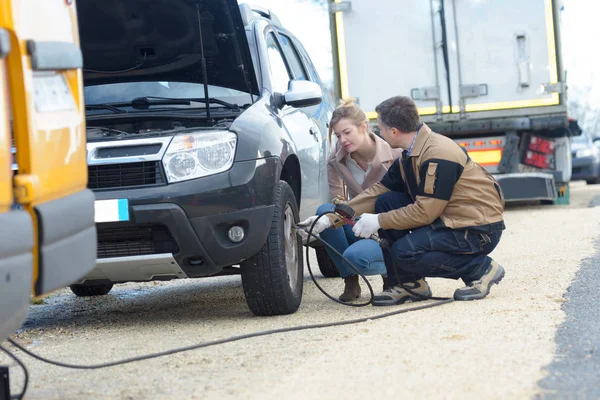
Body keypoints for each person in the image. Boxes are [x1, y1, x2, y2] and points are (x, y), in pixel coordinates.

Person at [300, 95, 506, 306]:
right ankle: (410, 285)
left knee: (405, 252)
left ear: (394, 132)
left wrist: (378, 221)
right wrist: (330, 219)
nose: (378, 133)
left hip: (478, 229)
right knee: (386, 200)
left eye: (380, 128)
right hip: (453, 221)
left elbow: (426, 212)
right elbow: (377, 192)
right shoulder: (411, 153)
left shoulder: (438, 154)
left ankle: (481, 269)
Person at [297, 99, 403, 302]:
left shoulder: (395, 153)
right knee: (325, 209)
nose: (343, 139)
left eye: (347, 132)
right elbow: (338, 201)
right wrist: (329, 214)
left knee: (358, 256)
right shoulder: (338, 159)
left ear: (363, 126)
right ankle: (350, 280)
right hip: (357, 221)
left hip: (387, 228)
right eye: (338, 135)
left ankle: (390, 275)